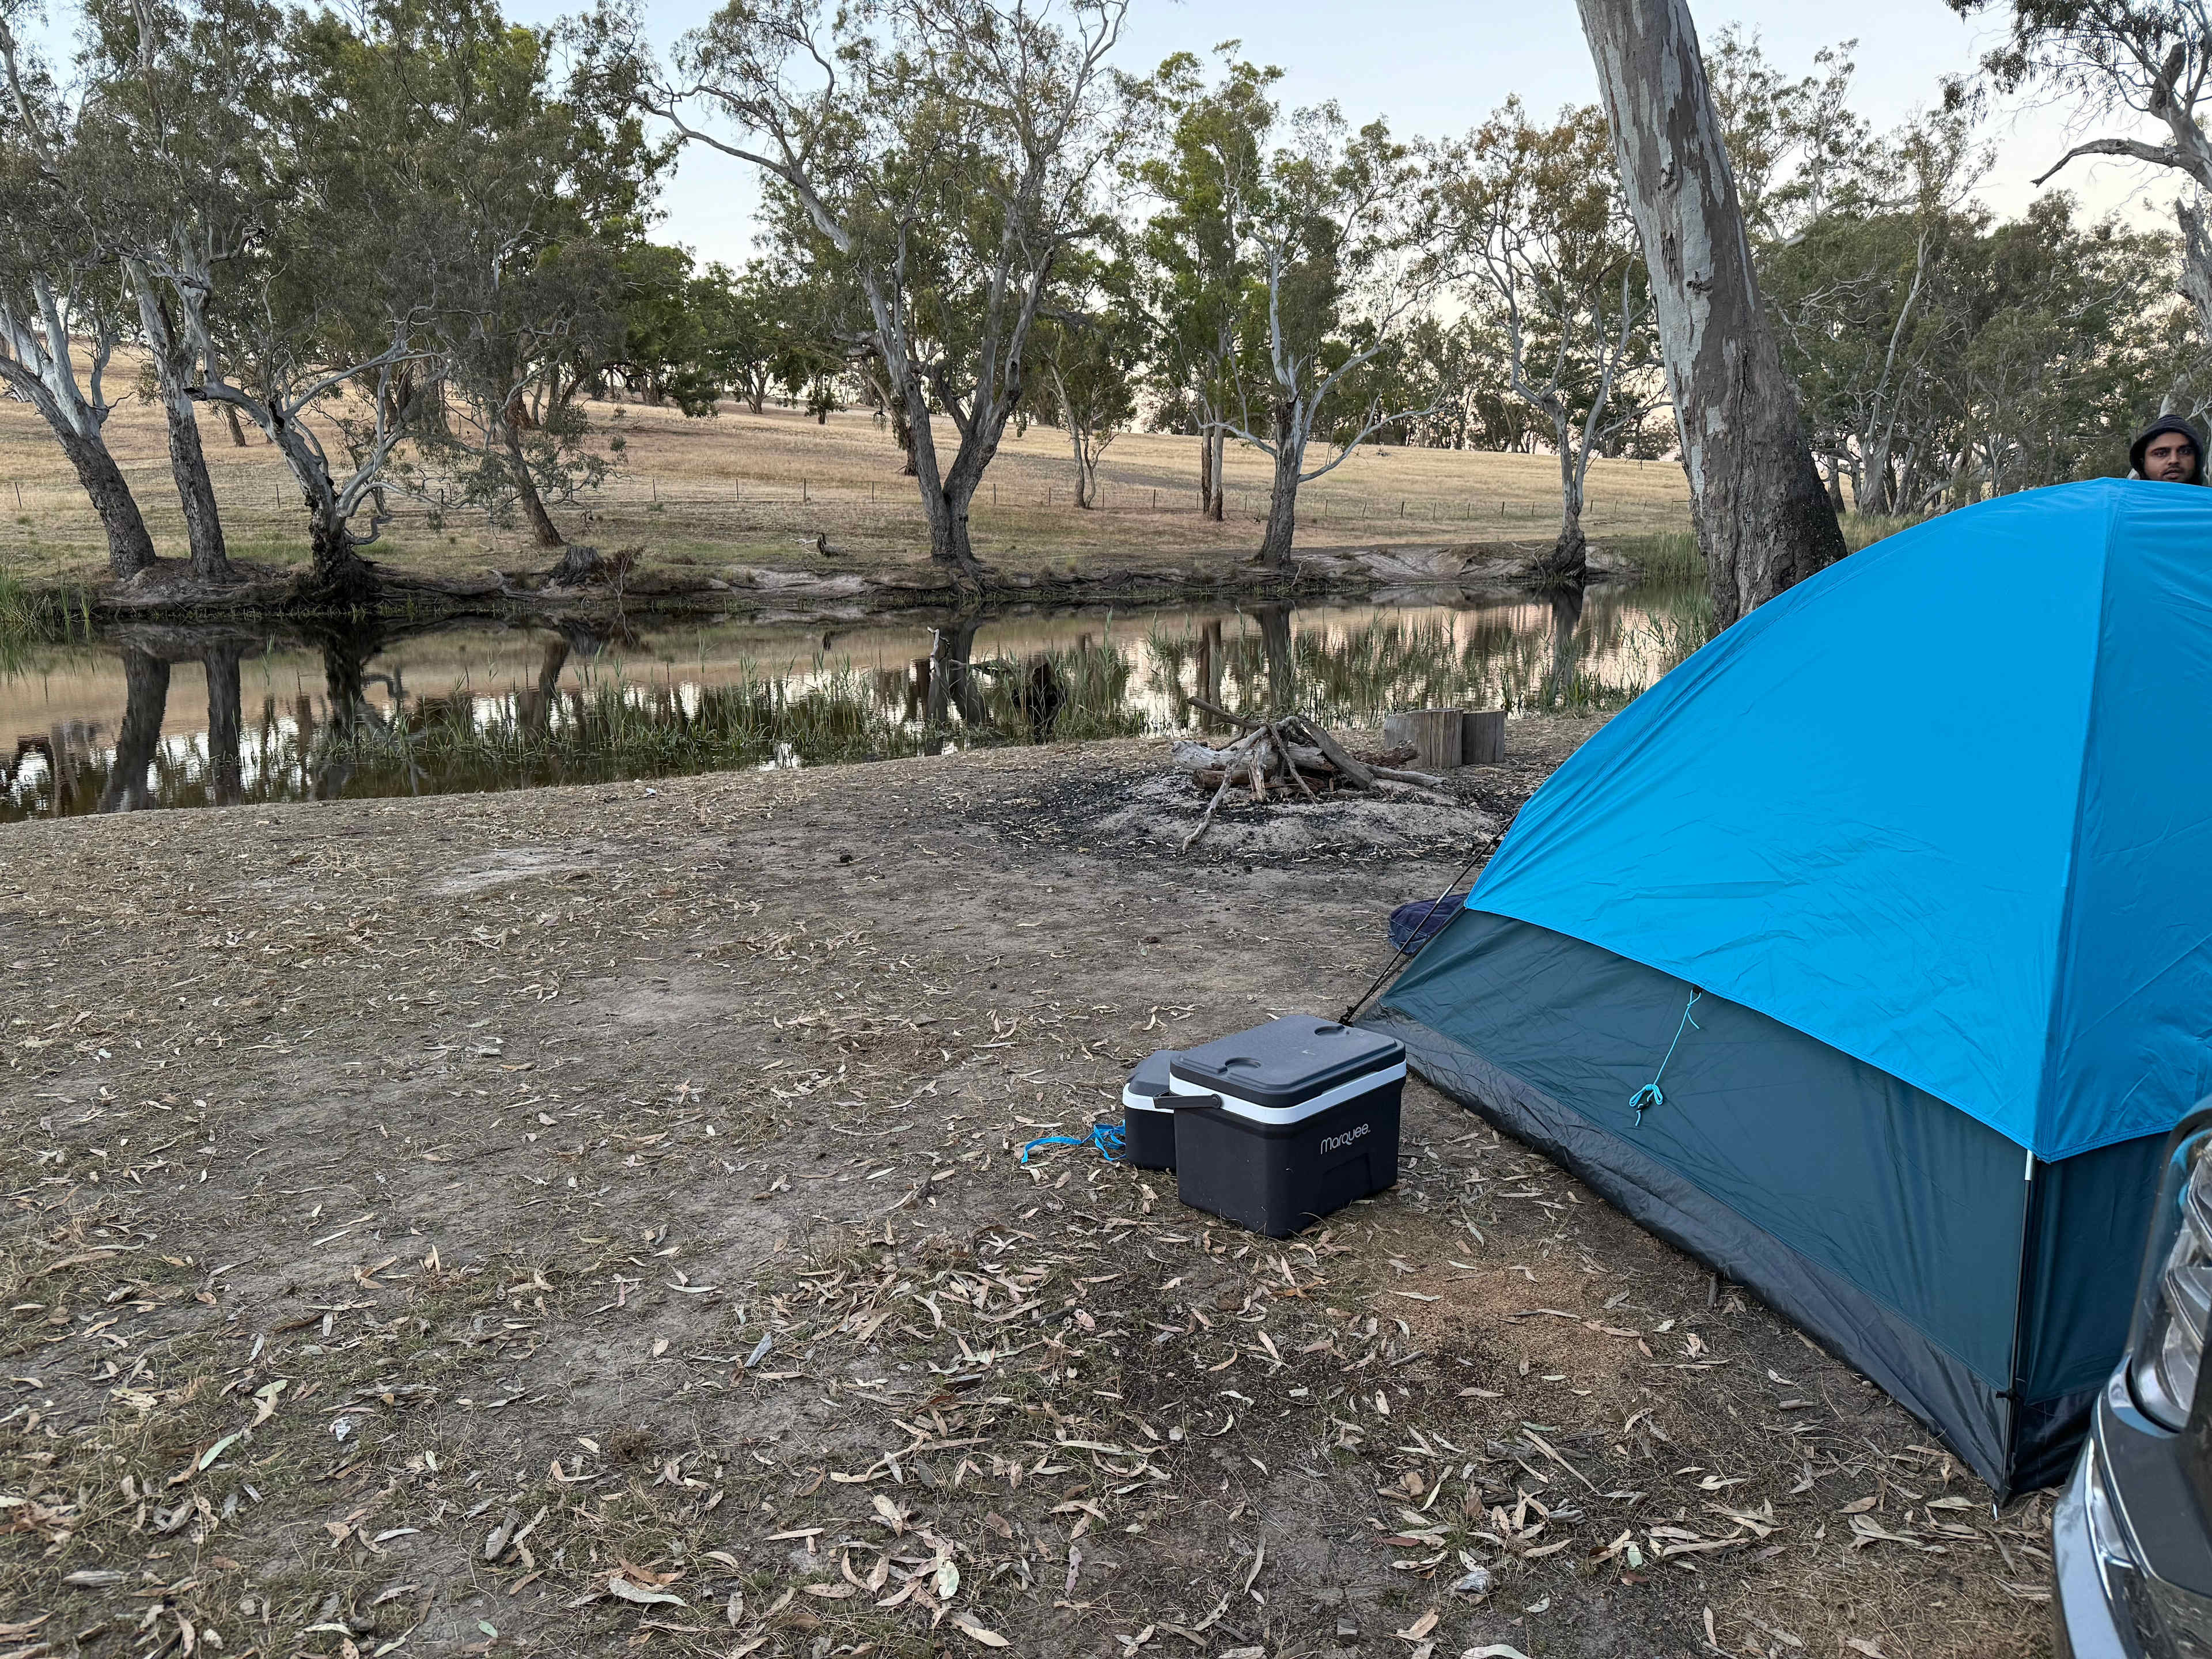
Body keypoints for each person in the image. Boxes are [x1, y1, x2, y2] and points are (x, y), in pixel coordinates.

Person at [2129, 414, 2207, 484]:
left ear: (2197, 459)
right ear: (2143, 462)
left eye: (2184, 452)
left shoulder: (2208, 498)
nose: (2174, 460)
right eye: (2161, 453)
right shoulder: (2123, 498)